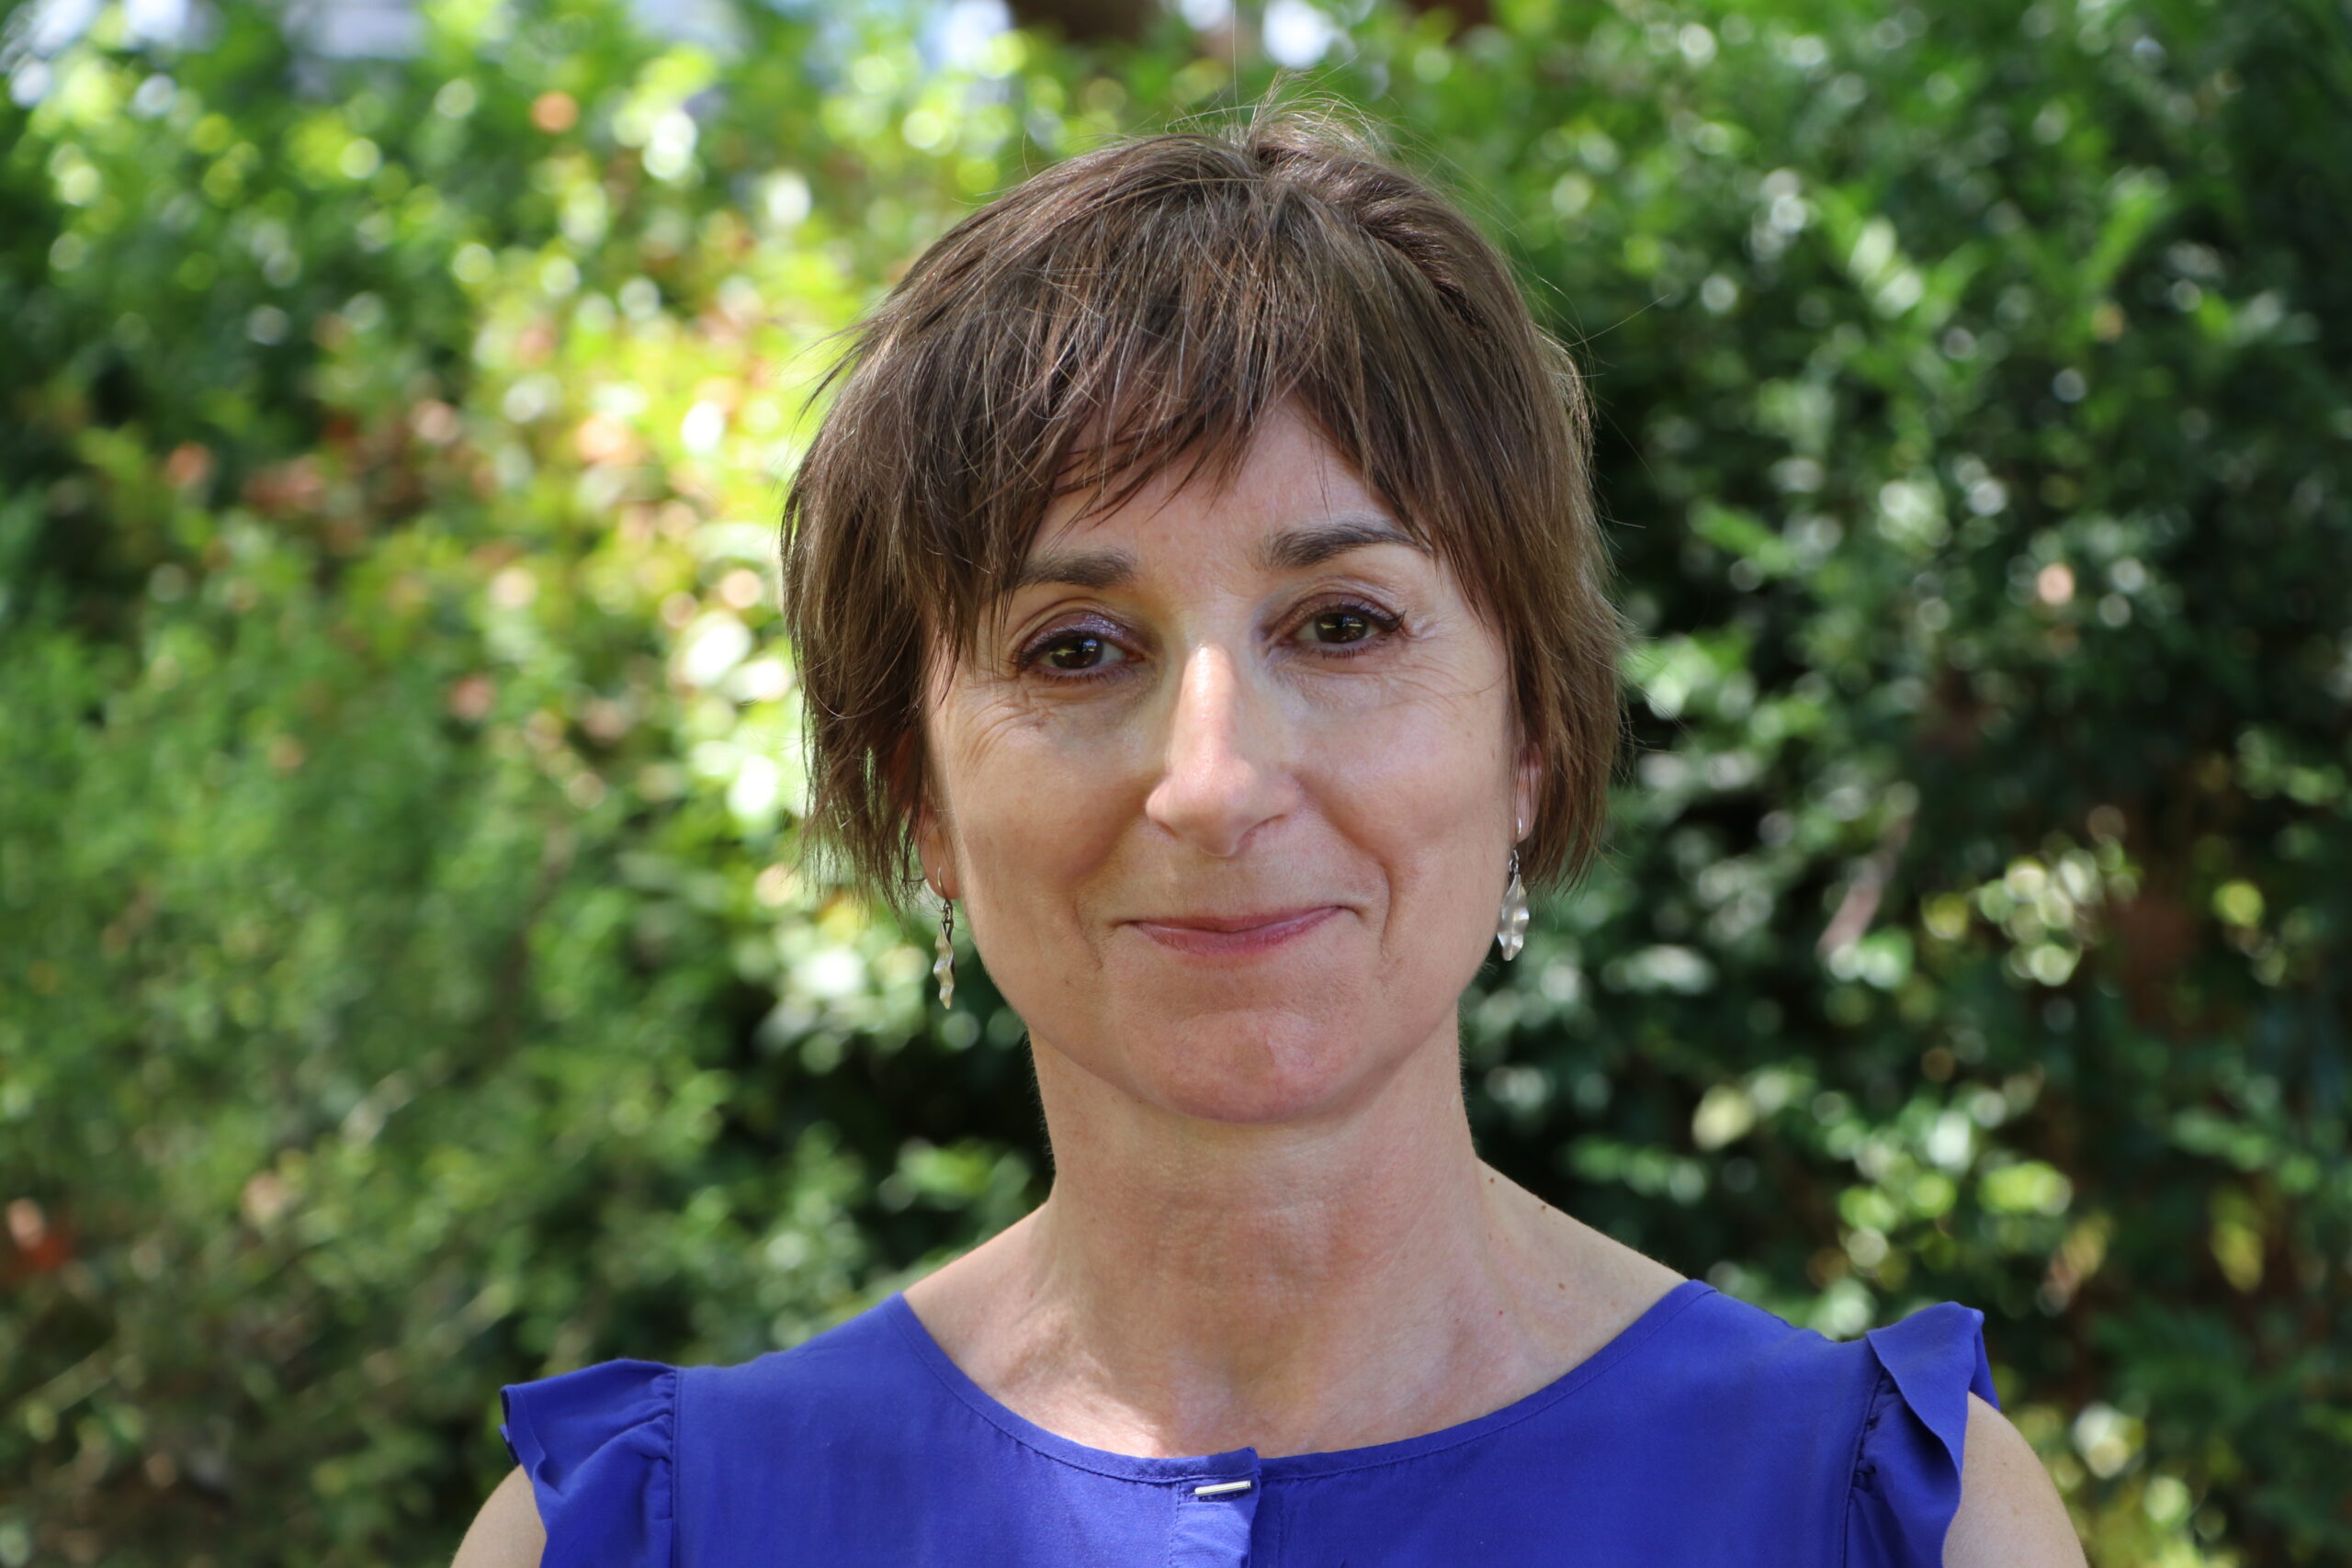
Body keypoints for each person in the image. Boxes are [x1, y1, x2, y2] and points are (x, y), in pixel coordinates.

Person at [455, 107, 2085, 1567]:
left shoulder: (1891, 1526)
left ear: (1529, 735)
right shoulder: (623, 1541)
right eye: (1074, 649)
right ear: (920, 799)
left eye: (1343, 625)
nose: (1216, 783)